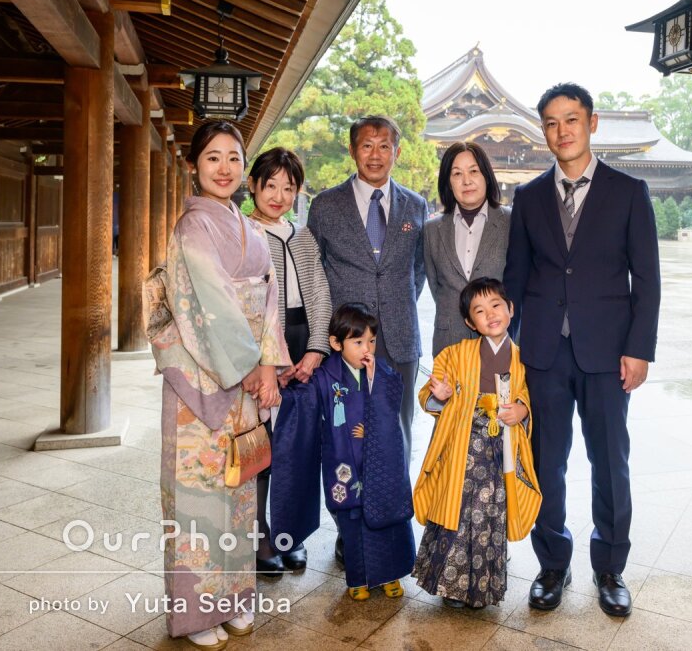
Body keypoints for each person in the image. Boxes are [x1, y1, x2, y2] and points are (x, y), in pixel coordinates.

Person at [503, 83, 660, 616]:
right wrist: (512, 352)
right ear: (543, 131)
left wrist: (639, 349)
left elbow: (649, 280)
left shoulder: (628, 192)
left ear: (592, 124)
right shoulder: (527, 198)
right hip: (544, 353)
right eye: (550, 122)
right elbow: (515, 280)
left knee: (610, 463)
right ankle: (553, 564)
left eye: (571, 119)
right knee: (547, 462)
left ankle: (610, 566)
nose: (561, 130)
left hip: (608, 353)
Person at [145, 120, 290, 650]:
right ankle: (194, 612)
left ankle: (233, 599)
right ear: (195, 166)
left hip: (247, 378)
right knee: (197, 493)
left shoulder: (248, 227)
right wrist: (252, 367)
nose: (225, 168)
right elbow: (207, 307)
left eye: (234, 158)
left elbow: (268, 301)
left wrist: (269, 366)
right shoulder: (192, 229)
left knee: (238, 491)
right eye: (213, 158)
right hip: (200, 379)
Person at [307, 115, 427, 562]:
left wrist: (394, 311)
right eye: (366, 146)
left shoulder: (415, 206)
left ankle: (392, 518)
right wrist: (328, 337)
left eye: (384, 146)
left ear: (397, 151)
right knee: (346, 434)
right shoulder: (326, 205)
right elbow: (315, 275)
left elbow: (416, 273)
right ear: (352, 151)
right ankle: (349, 526)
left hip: (398, 341)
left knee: (397, 433)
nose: (375, 154)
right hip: (347, 342)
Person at [269, 303, 416, 600]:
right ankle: (358, 579)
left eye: (371, 341)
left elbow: (392, 402)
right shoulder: (326, 376)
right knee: (352, 524)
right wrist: (284, 385)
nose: (367, 348)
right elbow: (304, 399)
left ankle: (391, 575)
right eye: (358, 341)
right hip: (343, 466)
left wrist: (377, 380)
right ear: (336, 343)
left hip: (380, 464)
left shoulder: (382, 372)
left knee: (388, 521)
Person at [412, 277, 541, 609]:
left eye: (496, 305)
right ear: (470, 322)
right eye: (479, 311)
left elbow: (528, 396)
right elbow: (430, 395)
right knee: (455, 509)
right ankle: (448, 584)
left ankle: (480, 587)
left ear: (510, 309)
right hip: (462, 447)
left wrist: (522, 410)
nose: (491, 314)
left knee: (489, 513)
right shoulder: (456, 354)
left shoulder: (524, 358)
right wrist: (437, 395)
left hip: (500, 448)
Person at [245, 147, 331, 575]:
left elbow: (318, 292)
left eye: (288, 187)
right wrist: (268, 361)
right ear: (253, 187)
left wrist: (316, 349)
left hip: (302, 338)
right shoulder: (242, 232)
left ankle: (290, 536)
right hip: (260, 346)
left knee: (299, 446)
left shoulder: (302, 235)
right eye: (270, 185)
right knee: (261, 446)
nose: (278, 195)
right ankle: (260, 539)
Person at [423, 142, 510, 357]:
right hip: (449, 342)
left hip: (499, 340)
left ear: (486, 176)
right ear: (448, 182)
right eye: (457, 174)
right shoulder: (432, 229)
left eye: (473, 171)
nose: (467, 181)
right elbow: (436, 286)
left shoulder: (511, 222)